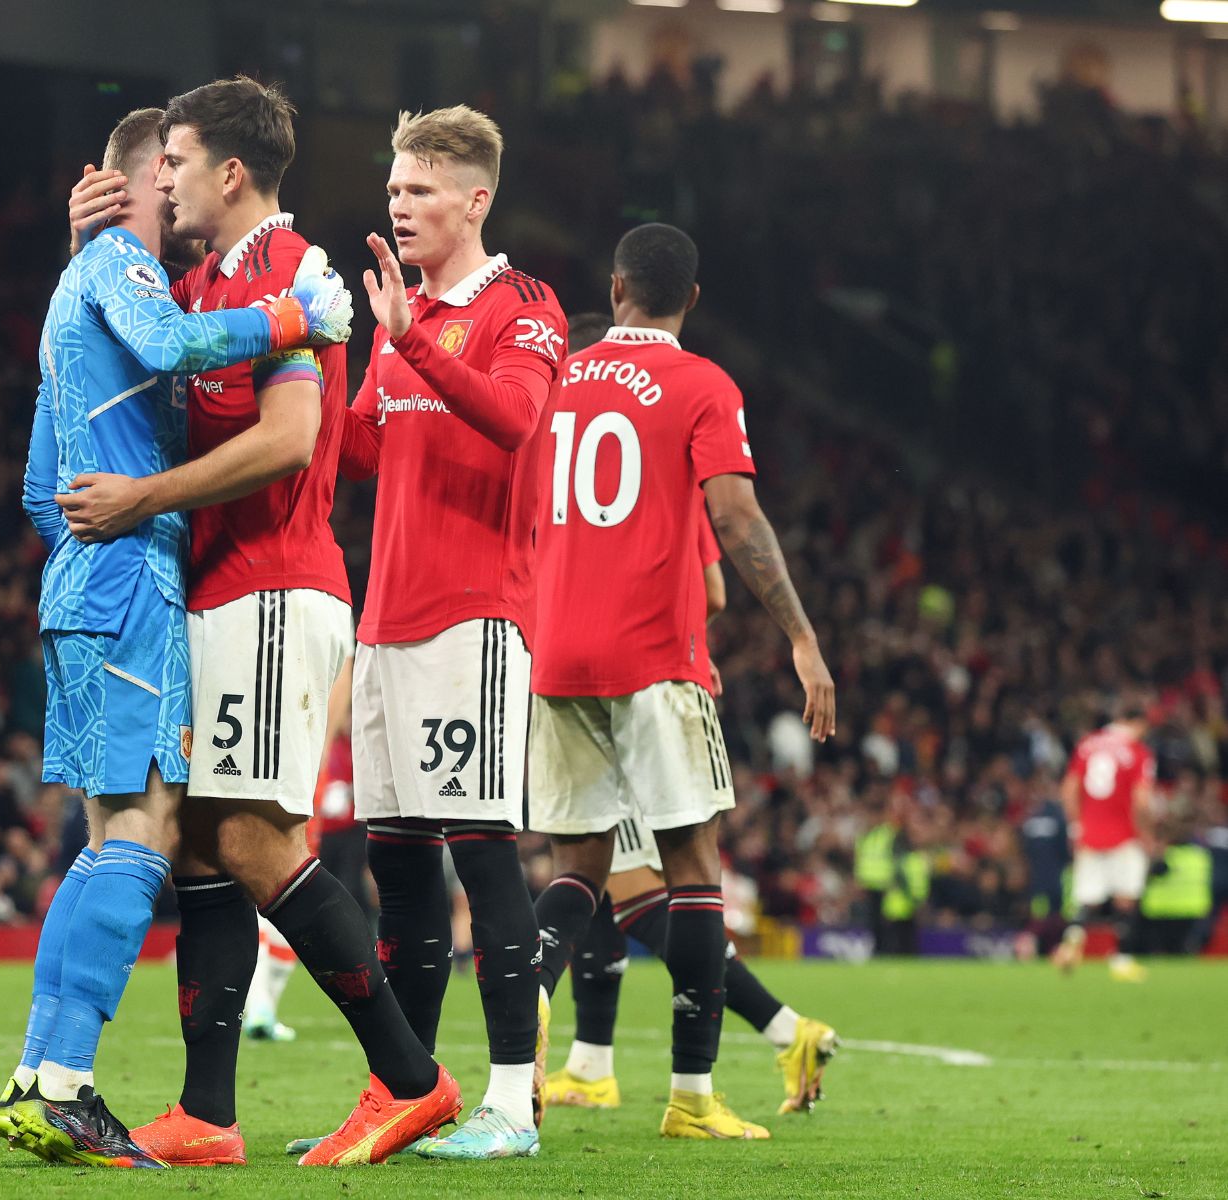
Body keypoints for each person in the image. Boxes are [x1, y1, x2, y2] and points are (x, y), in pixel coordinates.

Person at [58, 78, 459, 1168]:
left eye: (176, 162)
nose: (163, 179)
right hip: (215, 590)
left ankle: (410, 1079)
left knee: (250, 836)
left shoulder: (290, 274)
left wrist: (141, 500)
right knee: (195, 838)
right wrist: (87, 241)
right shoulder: (204, 282)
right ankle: (207, 1112)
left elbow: (289, 439)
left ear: (229, 172)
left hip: (273, 587)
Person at [0, 107, 353, 1169]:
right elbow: (172, 342)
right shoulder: (121, 266)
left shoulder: (77, 286)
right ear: (148, 174)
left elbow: (34, 483)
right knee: (146, 836)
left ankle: (34, 1073)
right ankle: (64, 1088)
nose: (184, 191)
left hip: (78, 580)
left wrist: (81, 543)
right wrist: (287, 317)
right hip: (131, 579)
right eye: (175, 169)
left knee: (108, 839)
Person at [526, 223, 836, 1142]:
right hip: (653, 655)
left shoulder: (554, 383)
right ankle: (694, 1096)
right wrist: (803, 638)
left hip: (555, 653)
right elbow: (734, 519)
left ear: (614, 285)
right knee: (692, 870)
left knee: (577, 867)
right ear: (690, 299)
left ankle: (530, 1012)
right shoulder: (702, 385)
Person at [316, 105, 564, 1159]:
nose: (399, 206)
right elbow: (358, 456)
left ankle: (512, 1102)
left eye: (419, 191)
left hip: (473, 621)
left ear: (475, 198)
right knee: (401, 869)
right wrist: (323, 357)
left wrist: (411, 336)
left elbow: (515, 421)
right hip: (385, 625)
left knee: (482, 859)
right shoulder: (400, 317)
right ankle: (405, 1091)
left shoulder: (524, 306)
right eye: (392, 191)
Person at [1052, 704, 1157, 981]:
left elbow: (1068, 789)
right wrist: (1146, 833)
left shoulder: (1087, 745)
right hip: (1124, 834)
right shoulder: (1138, 752)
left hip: (1089, 834)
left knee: (1088, 899)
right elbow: (1142, 800)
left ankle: (1070, 942)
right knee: (1126, 898)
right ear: (1139, 723)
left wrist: (1076, 826)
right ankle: (1121, 961)